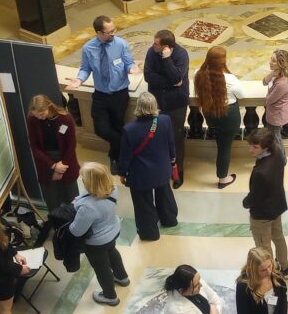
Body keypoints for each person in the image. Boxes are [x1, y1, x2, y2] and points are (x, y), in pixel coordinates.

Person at [67, 15, 139, 171]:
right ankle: (129, 145)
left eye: (114, 30)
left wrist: (132, 68)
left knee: (117, 126)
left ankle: (115, 159)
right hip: (100, 94)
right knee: (101, 129)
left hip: (120, 93)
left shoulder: (121, 44)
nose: (113, 34)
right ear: (98, 33)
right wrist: (79, 80)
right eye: (109, 32)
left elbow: (128, 62)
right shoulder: (88, 48)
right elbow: (85, 68)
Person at [118, 92, 178, 240]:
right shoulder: (164, 121)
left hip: (141, 174)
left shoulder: (129, 129)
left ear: (138, 107)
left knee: (143, 204)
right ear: (154, 106)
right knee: (164, 196)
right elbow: (171, 144)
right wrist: (172, 161)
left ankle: (149, 233)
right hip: (162, 170)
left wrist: (122, 172)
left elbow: (125, 155)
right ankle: (169, 220)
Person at [70, 162, 130, 306]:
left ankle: (110, 296)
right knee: (112, 252)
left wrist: (74, 212)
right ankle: (122, 277)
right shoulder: (112, 189)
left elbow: (77, 231)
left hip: (96, 242)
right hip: (113, 231)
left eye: (83, 178)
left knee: (101, 267)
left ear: (89, 182)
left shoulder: (87, 208)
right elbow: (93, 197)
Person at [143, 30, 189, 187]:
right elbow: (148, 76)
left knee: (176, 138)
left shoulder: (181, 55)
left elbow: (178, 77)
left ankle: (178, 173)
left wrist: (167, 59)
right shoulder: (151, 52)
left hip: (176, 104)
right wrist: (171, 82)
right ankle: (163, 169)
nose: (152, 45)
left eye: (156, 43)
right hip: (157, 102)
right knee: (157, 137)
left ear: (166, 47)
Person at [194, 45, 245, 187]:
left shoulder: (198, 73)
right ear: (223, 62)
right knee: (224, 147)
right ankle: (223, 178)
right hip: (228, 116)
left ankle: (222, 172)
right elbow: (242, 95)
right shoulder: (230, 79)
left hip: (210, 115)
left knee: (221, 142)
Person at [245, 128, 288, 277]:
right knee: (279, 238)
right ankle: (284, 268)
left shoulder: (260, 173)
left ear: (266, 147)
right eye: (250, 145)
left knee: (264, 247)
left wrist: (245, 203)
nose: (250, 149)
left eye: (255, 147)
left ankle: (271, 274)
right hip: (277, 206)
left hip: (262, 215)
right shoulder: (277, 153)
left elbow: (253, 197)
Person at [27, 94, 80, 216]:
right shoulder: (32, 119)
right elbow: (35, 147)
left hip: (66, 161)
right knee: (52, 199)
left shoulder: (65, 118)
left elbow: (71, 145)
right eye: (37, 115)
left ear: (49, 107)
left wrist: (62, 167)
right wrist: (53, 166)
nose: (40, 118)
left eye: (42, 114)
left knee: (72, 198)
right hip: (46, 163)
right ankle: (56, 224)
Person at [263, 49, 288, 161]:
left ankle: (281, 161)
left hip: (276, 116)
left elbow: (268, 100)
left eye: (273, 61)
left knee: (276, 140)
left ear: (281, 63)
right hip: (278, 113)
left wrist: (270, 89)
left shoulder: (283, 83)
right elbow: (264, 82)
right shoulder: (280, 75)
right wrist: (272, 73)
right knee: (276, 138)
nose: (270, 62)